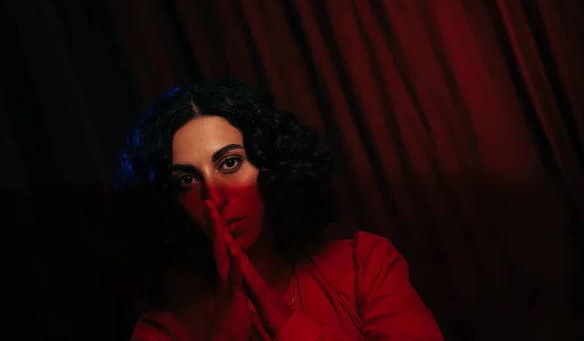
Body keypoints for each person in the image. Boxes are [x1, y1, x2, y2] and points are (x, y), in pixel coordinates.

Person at [114, 79, 444, 340]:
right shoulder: (160, 332)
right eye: (188, 179)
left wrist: (279, 317)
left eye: (230, 163)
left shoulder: (364, 266)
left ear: (270, 168)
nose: (214, 196)